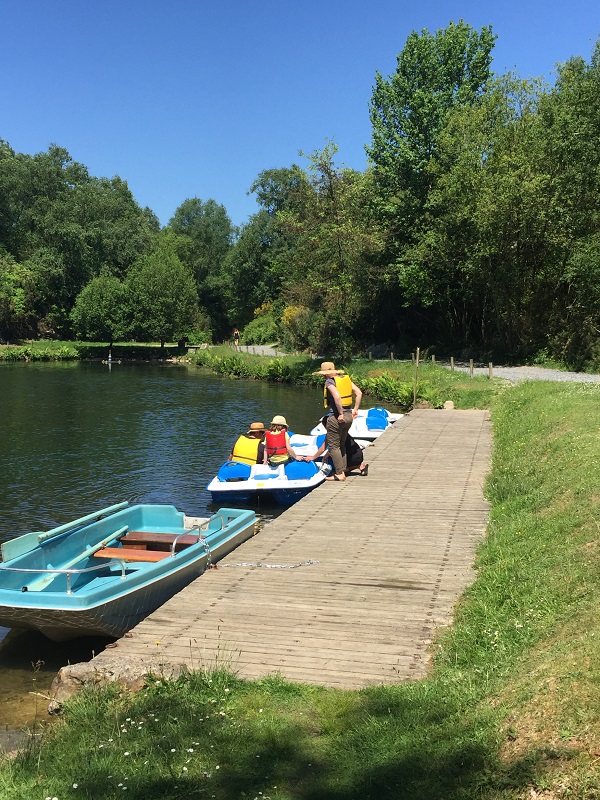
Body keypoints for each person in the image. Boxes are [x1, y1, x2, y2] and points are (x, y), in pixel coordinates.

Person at [312, 361, 362, 481]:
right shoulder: (345, 380)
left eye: (324, 374)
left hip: (337, 417)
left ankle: (340, 473)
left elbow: (337, 397)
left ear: (326, 373)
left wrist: (340, 413)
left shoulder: (330, 382)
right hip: (349, 416)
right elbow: (359, 393)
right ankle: (343, 469)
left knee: (334, 446)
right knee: (341, 444)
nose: (323, 376)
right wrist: (355, 409)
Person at [299, 433, 368, 476]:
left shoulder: (332, 434)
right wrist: (325, 456)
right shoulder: (343, 431)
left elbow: (323, 448)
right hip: (359, 455)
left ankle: (343, 471)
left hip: (351, 459)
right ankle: (360, 465)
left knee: (336, 470)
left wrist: (313, 457)